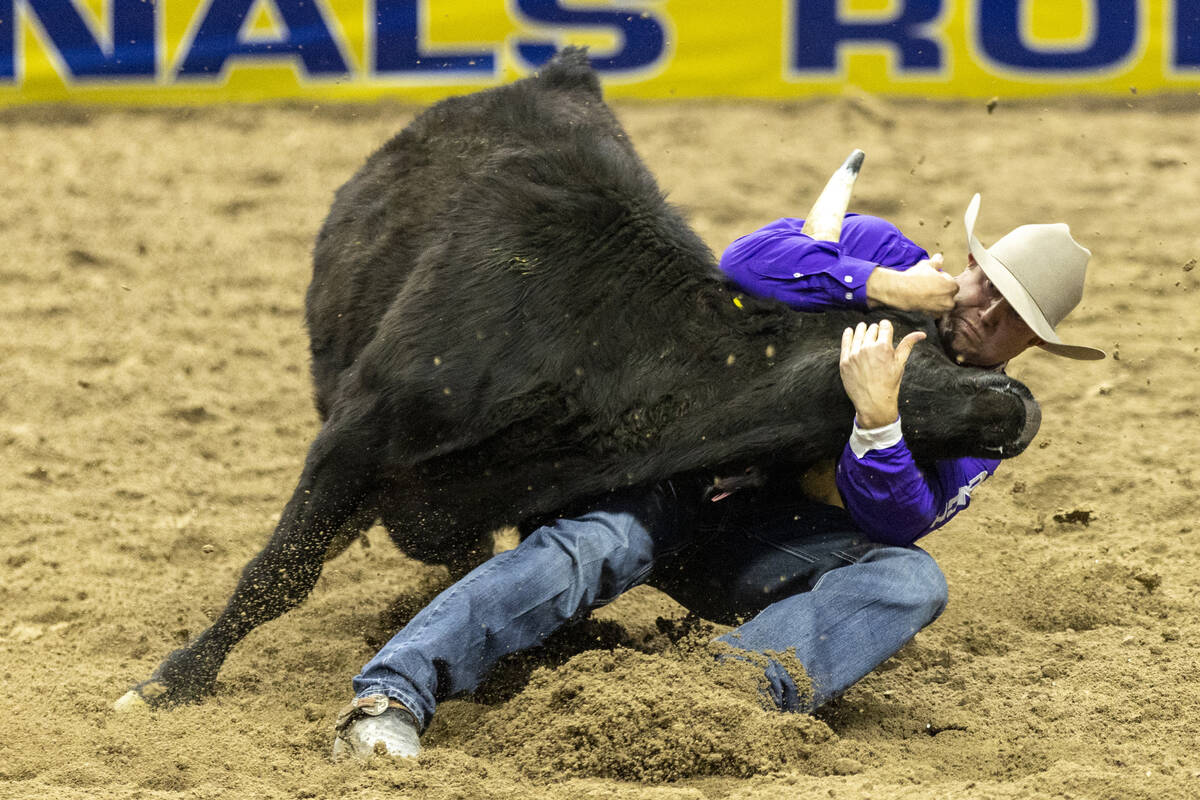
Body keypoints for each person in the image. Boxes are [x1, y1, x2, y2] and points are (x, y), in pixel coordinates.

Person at [330, 193, 1104, 759]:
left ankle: (717, 695)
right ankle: (392, 691)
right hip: (680, 472)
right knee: (590, 549)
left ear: (1032, 344)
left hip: (768, 548)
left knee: (911, 580)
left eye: (1008, 317)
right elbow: (745, 264)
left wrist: (878, 420)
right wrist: (885, 288)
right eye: (986, 287)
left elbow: (894, 524)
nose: (983, 312)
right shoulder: (882, 251)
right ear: (969, 265)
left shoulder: (982, 422)